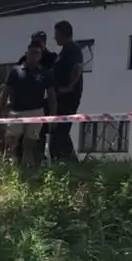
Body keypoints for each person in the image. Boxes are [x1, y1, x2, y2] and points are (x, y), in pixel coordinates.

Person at [0, 41, 57, 166]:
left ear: (40, 56)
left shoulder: (45, 73)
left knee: (30, 143)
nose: (34, 56)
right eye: (32, 53)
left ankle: (27, 168)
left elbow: (51, 94)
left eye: (37, 53)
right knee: (11, 141)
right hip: (16, 111)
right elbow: (6, 91)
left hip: (36, 112)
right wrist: (0, 109)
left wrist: (53, 112)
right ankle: (9, 167)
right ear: (27, 54)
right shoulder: (15, 71)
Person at [49, 20, 84, 161]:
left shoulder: (72, 49)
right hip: (61, 96)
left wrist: (69, 87)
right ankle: (65, 160)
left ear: (63, 33)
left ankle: (68, 161)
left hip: (68, 97)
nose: (55, 38)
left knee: (60, 131)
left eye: (56, 34)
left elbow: (77, 68)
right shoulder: (65, 50)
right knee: (59, 131)